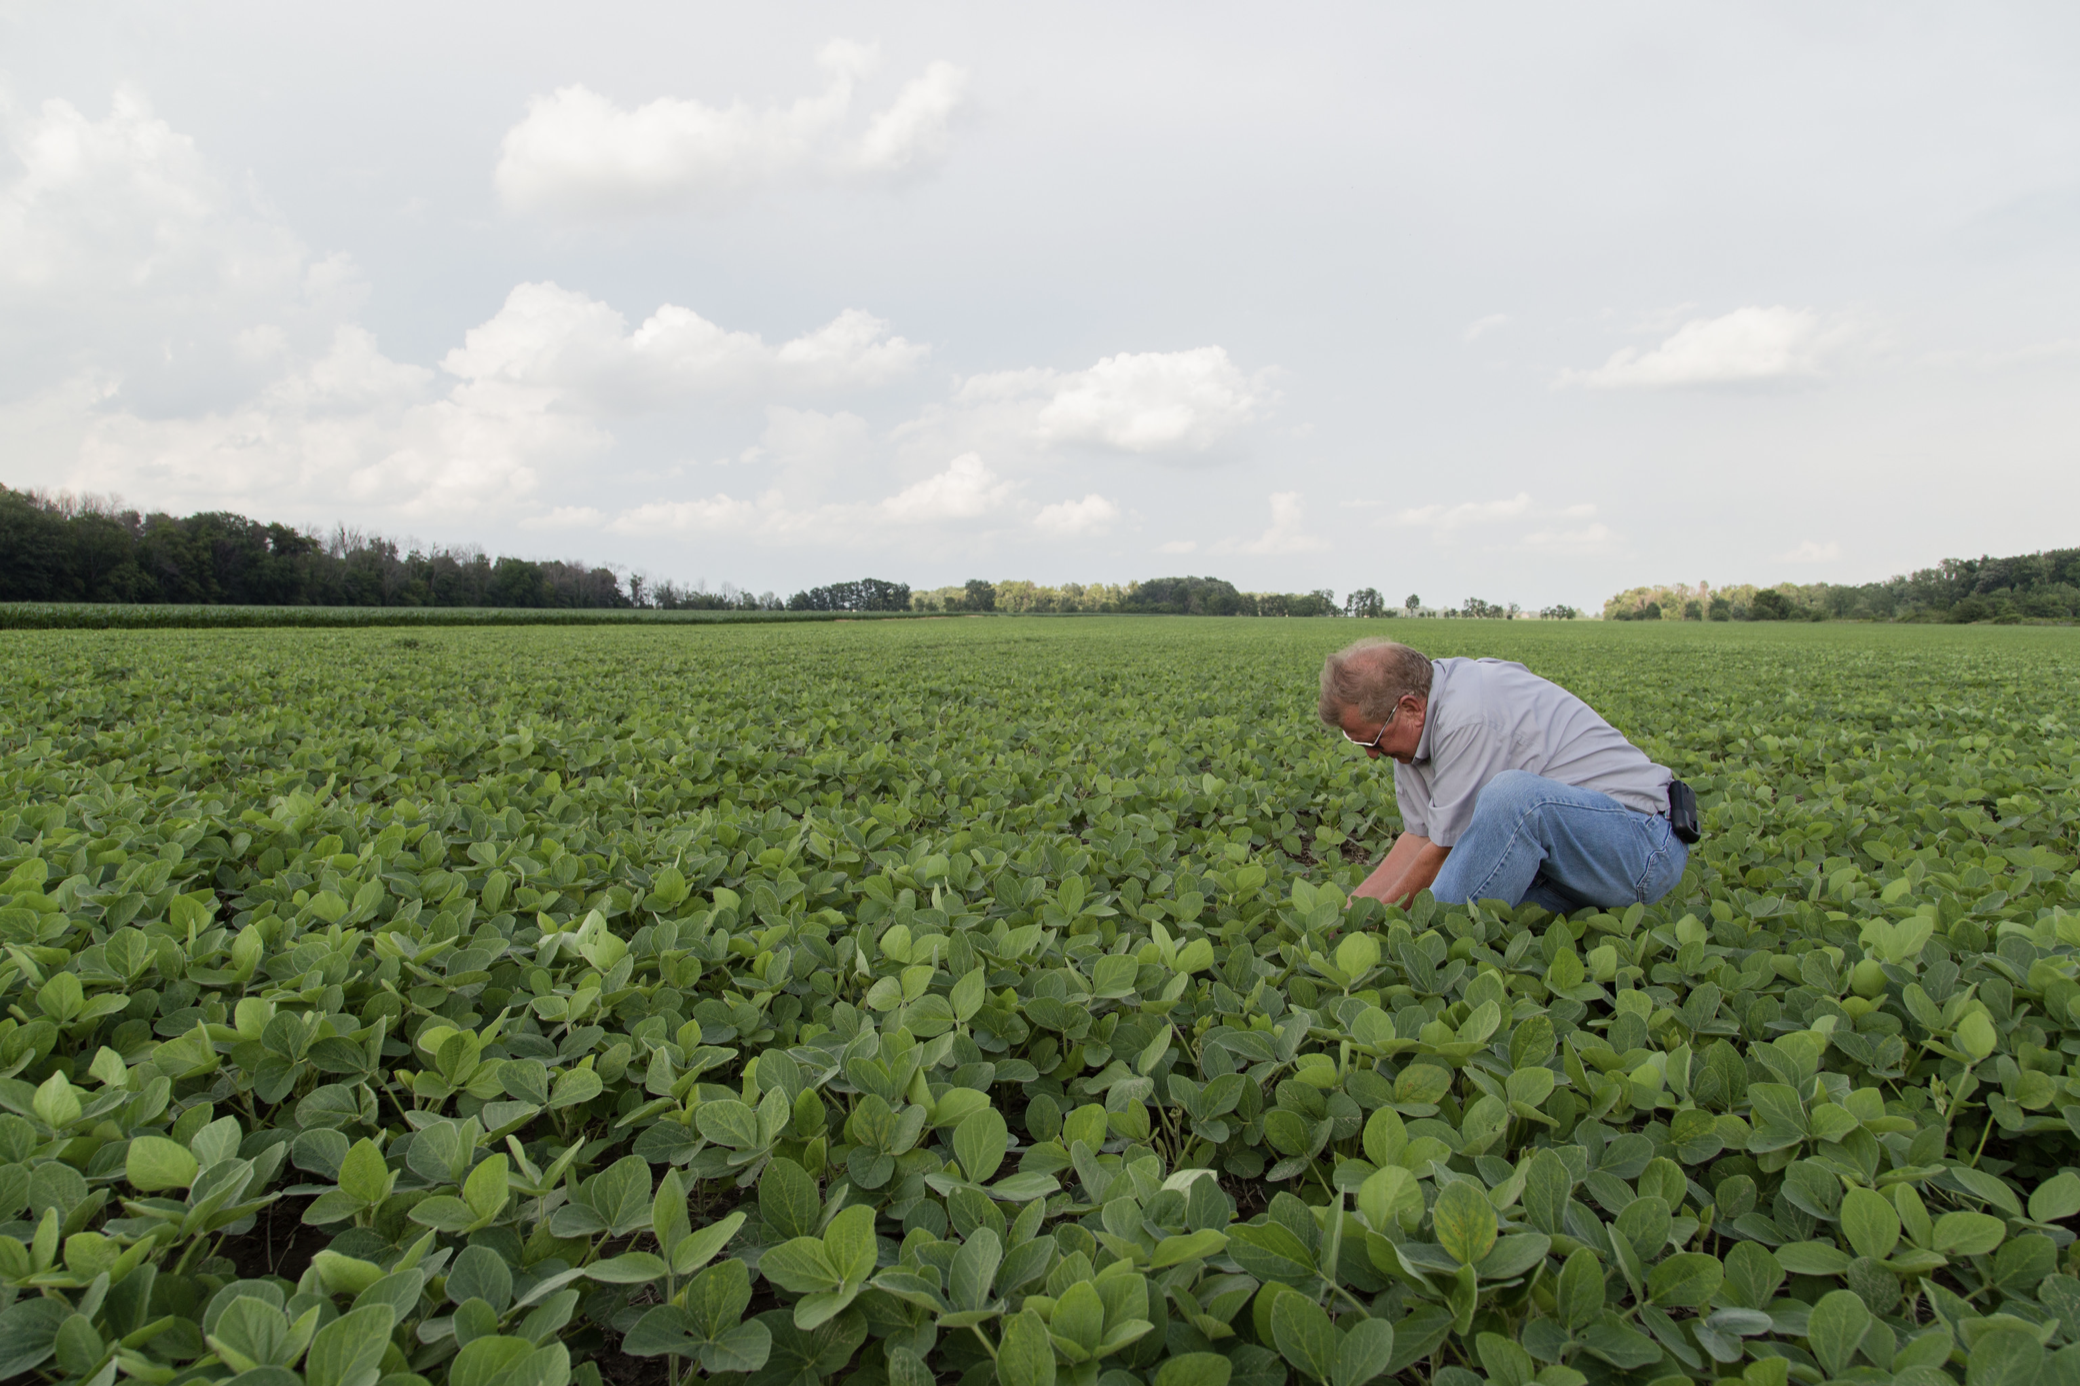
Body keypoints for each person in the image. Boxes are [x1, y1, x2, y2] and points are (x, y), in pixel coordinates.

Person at [1318, 638, 1691, 913]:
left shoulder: (1468, 714)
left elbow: (1442, 854)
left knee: (1512, 799)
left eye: (1375, 740)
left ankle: (1425, 952)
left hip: (1642, 843)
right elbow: (1418, 841)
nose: (1371, 753)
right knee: (1499, 922)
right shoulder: (1410, 737)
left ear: (1411, 707)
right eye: (1358, 742)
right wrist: (1348, 918)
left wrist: (1380, 930)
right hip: (1565, 867)